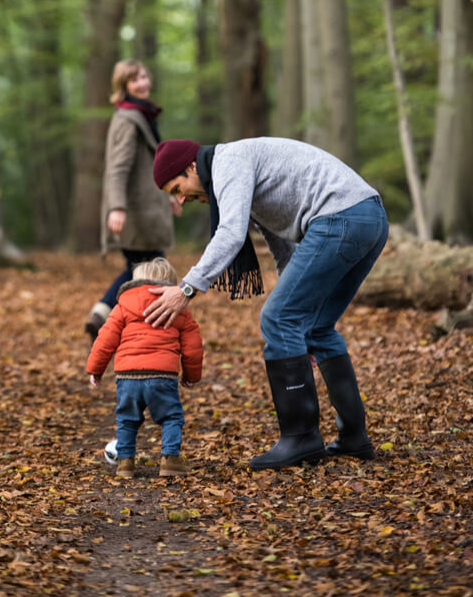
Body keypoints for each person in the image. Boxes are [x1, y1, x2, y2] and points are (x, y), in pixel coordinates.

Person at [145, 138, 389, 471]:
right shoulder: (239, 170)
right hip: (369, 217)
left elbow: (230, 234)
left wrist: (186, 288)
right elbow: (283, 249)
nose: (182, 199)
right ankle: (354, 438)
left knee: (277, 319)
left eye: (178, 187)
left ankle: (301, 439)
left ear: (191, 167)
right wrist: (297, 310)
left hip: (341, 217)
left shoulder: (228, 163)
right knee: (316, 327)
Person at [85, 59, 181, 342]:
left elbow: (153, 165)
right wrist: (117, 207)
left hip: (149, 210)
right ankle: (120, 326)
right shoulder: (128, 119)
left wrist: (170, 195)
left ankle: (105, 317)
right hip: (136, 214)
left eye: (143, 77)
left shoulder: (142, 115)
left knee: (140, 271)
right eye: (134, 79)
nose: (142, 83)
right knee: (152, 273)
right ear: (123, 86)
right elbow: (118, 167)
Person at [86, 257, 203, 478]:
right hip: (162, 376)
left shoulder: (122, 306)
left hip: (127, 377)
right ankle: (169, 461)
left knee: (127, 420)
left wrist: (96, 369)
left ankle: (125, 464)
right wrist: (191, 375)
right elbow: (193, 347)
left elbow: (105, 339)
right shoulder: (178, 310)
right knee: (171, 417)